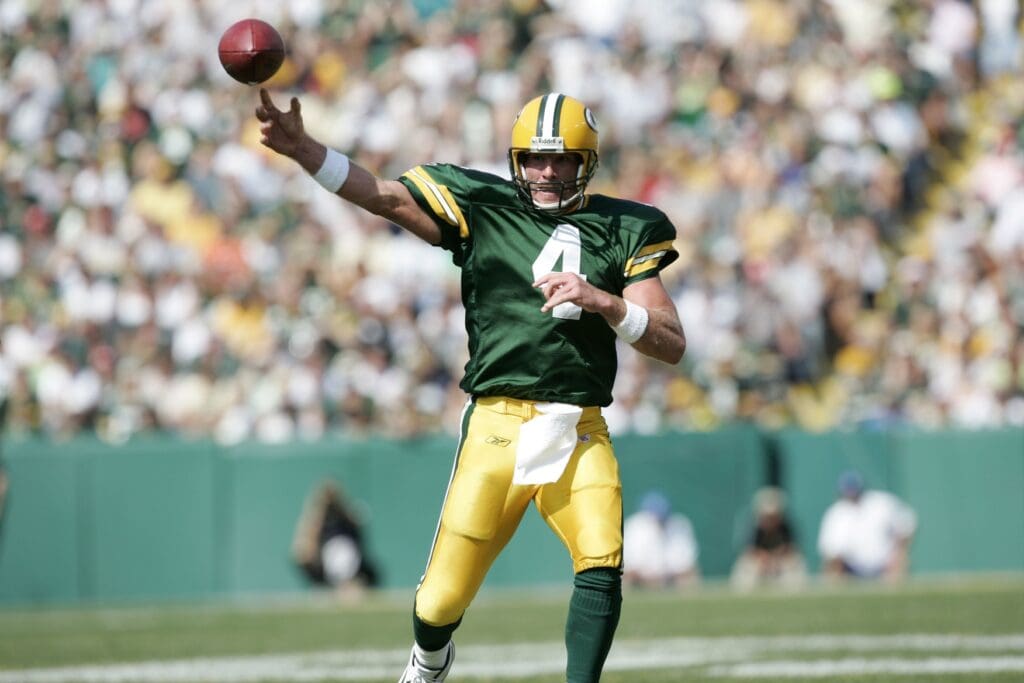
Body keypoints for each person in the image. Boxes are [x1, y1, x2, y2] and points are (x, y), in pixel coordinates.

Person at [256, 89, 686, 683]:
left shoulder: (626, 227)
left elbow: (670, 341)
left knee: (601, 556)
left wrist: (606, 302)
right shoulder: (483, 204)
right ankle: (431, 659)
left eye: (562, 160)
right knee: (438, 602)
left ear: (586, 163)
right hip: (497, 424)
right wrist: (304, 149)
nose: (547, 170)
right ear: (516, 159)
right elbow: (383, 195)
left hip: (578, 424)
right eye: (535, 157)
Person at [817, 470, 917, 582]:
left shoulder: (881, 503)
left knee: (900, 559)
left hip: (885, 564)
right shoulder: (836, 512)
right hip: (851, 568)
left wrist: (899, 553)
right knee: (833, 567)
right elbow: (831, 552)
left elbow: (906, 525)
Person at [291, 480, 380, 596]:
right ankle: (326, 587)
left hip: (351, 561)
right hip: (325, 564)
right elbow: (302, 549)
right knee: (302, 553)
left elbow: (357, 539)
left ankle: (349, 586)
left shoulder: (347, 518)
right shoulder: (316, 521)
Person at [729, 486, 807, 591]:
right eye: (767, 516)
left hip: (780, 562)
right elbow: (750, 551)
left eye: (773, 516)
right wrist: (765, 560)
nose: (770, 520)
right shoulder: (752, 525)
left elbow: (791, 549)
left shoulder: (786, 526)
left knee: (794, 568)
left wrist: (776, 560)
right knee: (745, 571)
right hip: (758, 563)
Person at [622, 490, 700, 588]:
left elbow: (686, 565)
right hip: (639, 579)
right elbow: (630, 566)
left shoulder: (680, 525)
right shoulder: (634, 526)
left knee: (690, 577)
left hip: (671, 578)